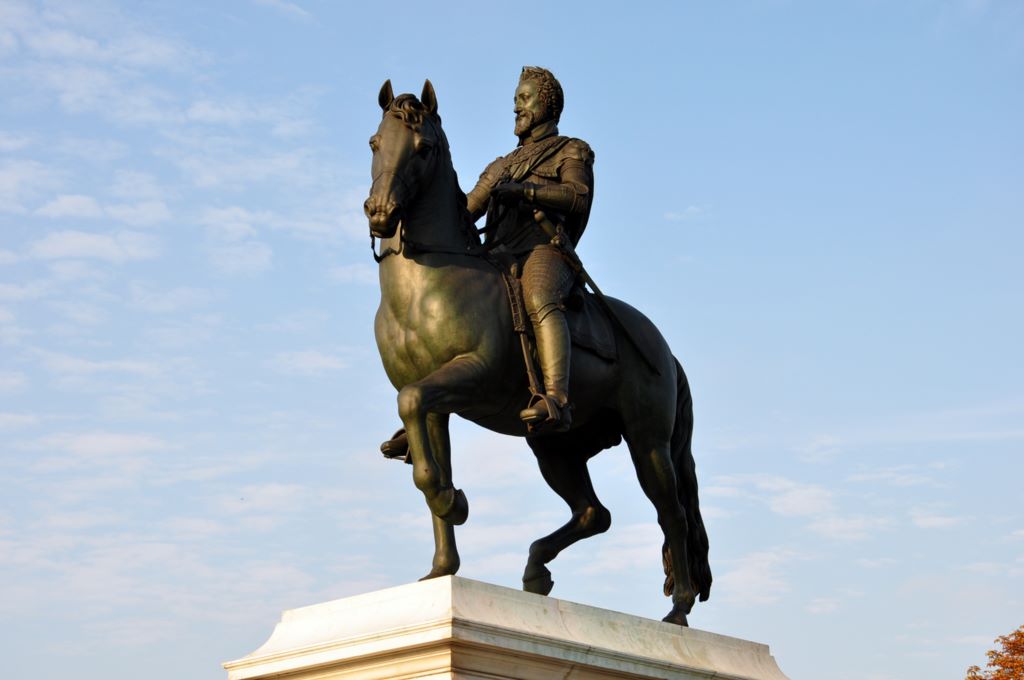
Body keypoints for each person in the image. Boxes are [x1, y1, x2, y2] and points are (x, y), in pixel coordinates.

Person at [381, 66, 594, 457]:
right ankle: (423, 407)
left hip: (544, 250)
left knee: (539, 294)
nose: (517, 106)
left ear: (547, 104)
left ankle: (556, 400)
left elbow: (577, 196)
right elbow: (466, 211)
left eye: (525, 98)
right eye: (515, 99)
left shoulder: (570, 149)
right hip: (496, 255)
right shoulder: (499, 166)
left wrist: (527, 192)